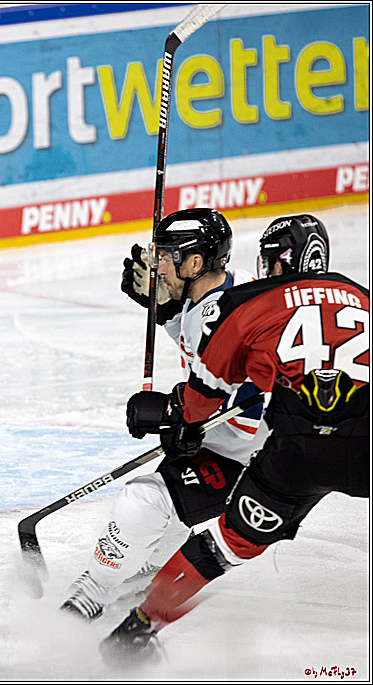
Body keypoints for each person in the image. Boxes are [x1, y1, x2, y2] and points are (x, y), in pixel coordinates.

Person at [102, 214, 369, 661]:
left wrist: (170, 415)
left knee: (224, 545)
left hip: (296, 452)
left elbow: (201, 400)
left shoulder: (248, 303)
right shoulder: (361, 296)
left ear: (275, 263)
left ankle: (134, 633)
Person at [60, 208, 268, 621]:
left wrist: (176, 413)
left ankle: (95, 588)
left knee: (144, 499)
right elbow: (200, 349)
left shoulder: (224, 317)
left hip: (253, 454)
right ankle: (146, 571)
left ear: (195, 263)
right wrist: (168, 310)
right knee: (167, 498)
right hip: (236, 442)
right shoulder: (223, 289)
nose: (157, 267)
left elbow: (246, 413)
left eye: (167, 257)